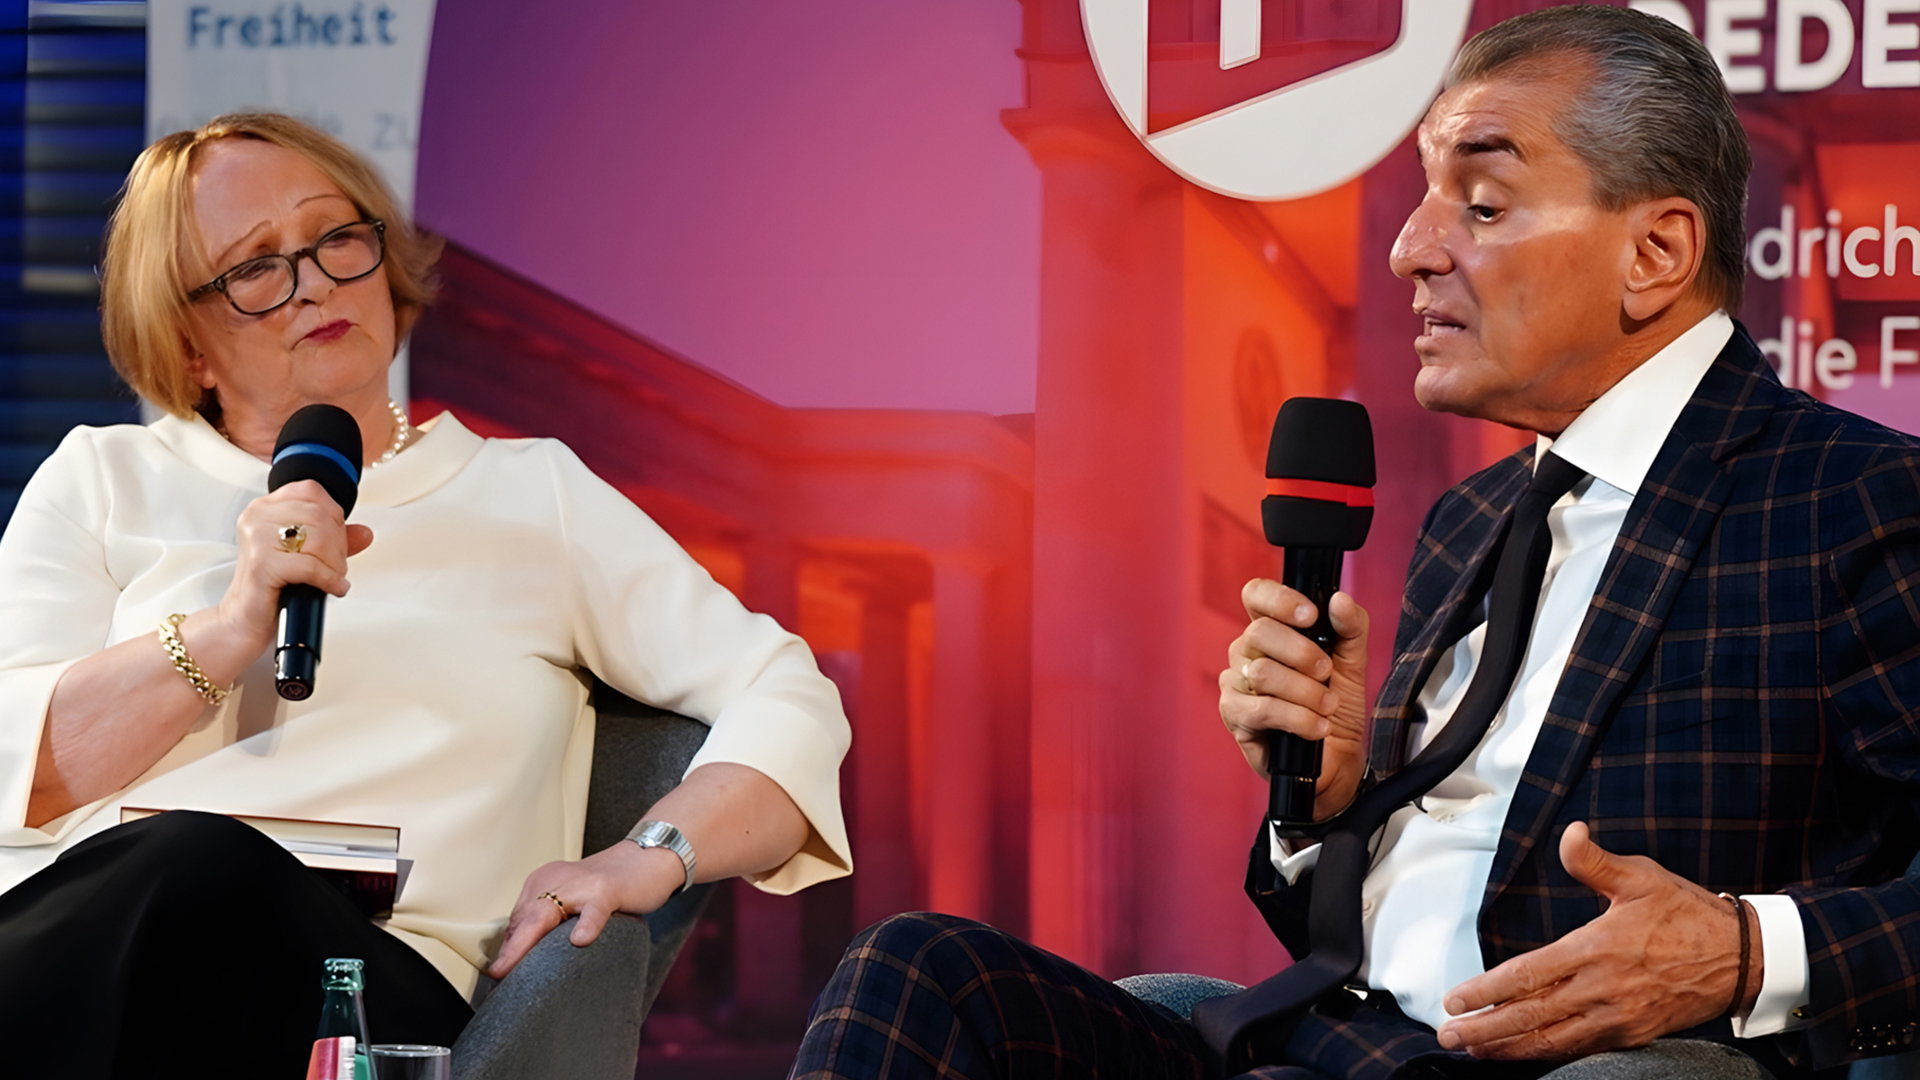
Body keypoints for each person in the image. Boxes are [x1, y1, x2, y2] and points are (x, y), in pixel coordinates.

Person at [787, 7, 1919, 1080]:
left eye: (1483, 205)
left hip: (1568, 1063)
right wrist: (1329, 808)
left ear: (1656, 252)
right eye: (1424, 198)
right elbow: (1391, 906)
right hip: (1339, 1042)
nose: (1409, 249)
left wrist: (1744, 953)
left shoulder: (1857, 498)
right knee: (918, 973)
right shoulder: (1470, 522)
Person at [0, 112, 852, 1078]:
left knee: (199, 866)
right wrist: (231, 626)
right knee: (175, 873)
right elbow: (15, 769)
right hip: (106, 965)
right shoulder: (102, 479)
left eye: (335, 238)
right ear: (187, 341)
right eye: (255, 267)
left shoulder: (534, 495)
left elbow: (782, 689)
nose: (313, 282)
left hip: (368, 996)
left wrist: (649, 853)